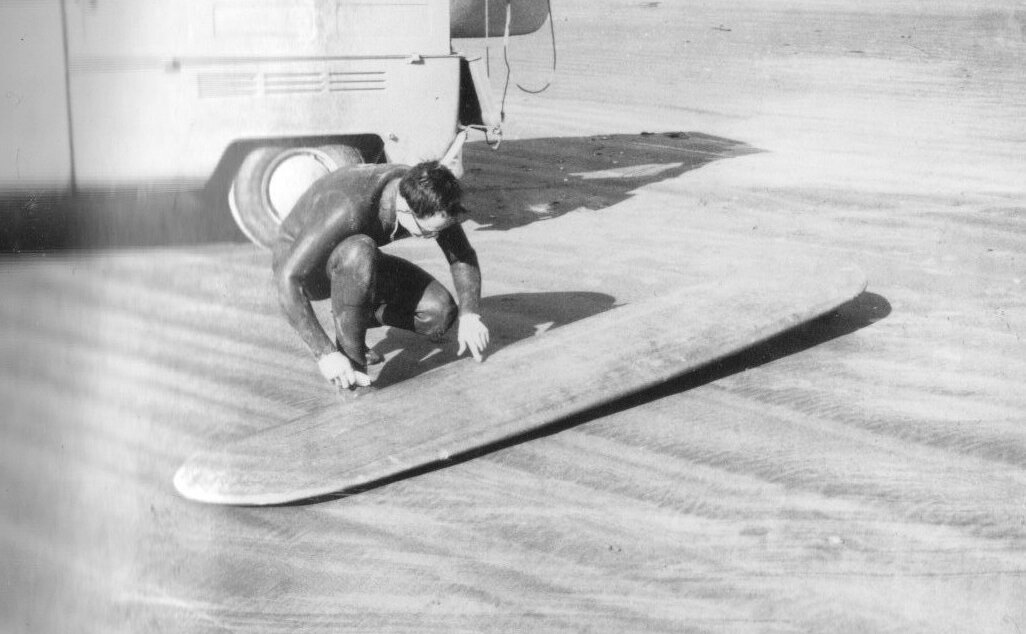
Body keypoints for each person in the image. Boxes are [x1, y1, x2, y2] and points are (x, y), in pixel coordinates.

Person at [272, 160, 490, 391]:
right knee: (360, 251)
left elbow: (462, 255)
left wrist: (470, 315)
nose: (434, 236)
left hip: (354, 262)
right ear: (405, 207)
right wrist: (325, 355)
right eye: (428, 232)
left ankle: (348, 315)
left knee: (439, 313)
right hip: (304, 267)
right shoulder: (350, 207)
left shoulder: (429, 195)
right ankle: (353, 372)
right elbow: (287, 278)